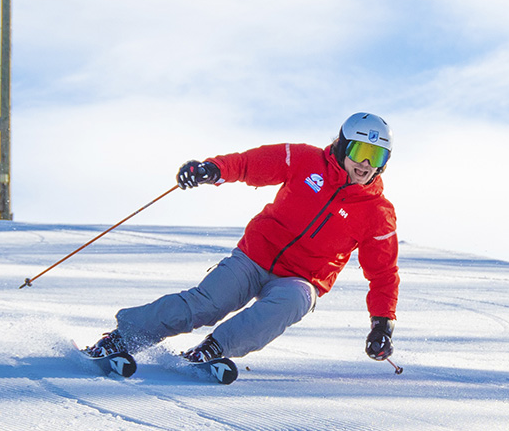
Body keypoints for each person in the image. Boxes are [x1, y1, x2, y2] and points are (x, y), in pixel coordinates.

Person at [86, 112, 399, 366]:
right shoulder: (305, 160)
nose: (366, 164)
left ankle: (213, 349)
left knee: (295, 302)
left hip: (302, 278)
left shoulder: (377, 212)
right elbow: (252, 164)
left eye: (377, 155)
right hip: (254, 257)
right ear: (344, 147)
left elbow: (383, 274)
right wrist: (213, 169)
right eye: (361, 151)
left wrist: (382, 325)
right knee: (207, 305)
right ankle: (123, 337)